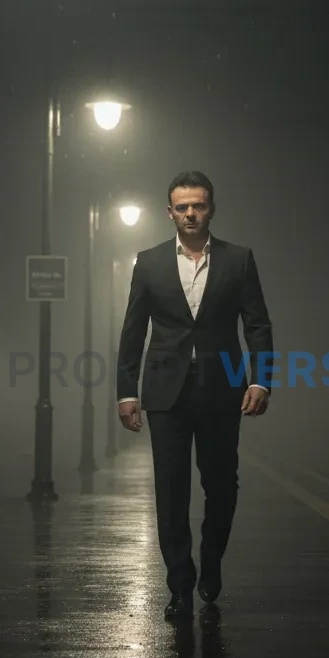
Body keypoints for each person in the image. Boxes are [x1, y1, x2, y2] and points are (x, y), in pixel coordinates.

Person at [116, 170, 274, 618]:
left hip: (223, 389)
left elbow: (257, 325)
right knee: (170, 490)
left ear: (210, 208)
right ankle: (180, 585)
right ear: (170, 212)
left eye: (198, 205)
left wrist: (261, 380)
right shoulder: (148, 262)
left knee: (222, 485)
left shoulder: (239, 259)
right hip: (165, 393)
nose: (190, 213)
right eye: (182, 206)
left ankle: (212, 559)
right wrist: (125, 391)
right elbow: (133, 331)